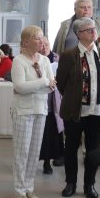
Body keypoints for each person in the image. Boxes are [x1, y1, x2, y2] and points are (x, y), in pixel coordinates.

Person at [55, 17, 100, 198]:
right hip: (75, 111)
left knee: (93, 150)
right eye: (88, 29)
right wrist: (74, 97)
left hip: (97, 111)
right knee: (71, 148)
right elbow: (61, 83)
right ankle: (70, 183)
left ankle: (89, 184)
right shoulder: (69, 55)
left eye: (94, 29)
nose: (93, 32)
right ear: (79, 34)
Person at [10, 26, 56, 198]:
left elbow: (52, 87)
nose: (41, 41)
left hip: (40, 110)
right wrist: (43, 82)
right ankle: (19, 191)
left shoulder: (44, 60)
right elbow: (20, 87)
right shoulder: (19, 61)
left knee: (35, 152)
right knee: (22, 152)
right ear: (26, 42)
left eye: (42, 37)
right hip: (23, 111)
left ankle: (29, 188)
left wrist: (39, 85)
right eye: (37, 38)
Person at [53, 0, 100, 95]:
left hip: (95, 75)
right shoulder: (65, 26)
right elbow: (56, 50)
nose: (86, 9)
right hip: (69, 74)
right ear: (75, 10)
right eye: (82, 7)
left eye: (89, 7)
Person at [37, 35, 64, 174]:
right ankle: (40, 160)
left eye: (46, 44)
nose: (44, 47)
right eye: (41, 45)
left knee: (53, 132)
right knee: (42, 133)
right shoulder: (35, 59)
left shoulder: (57, 59)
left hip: (54, 102)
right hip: (40, 100)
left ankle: (50, 160)